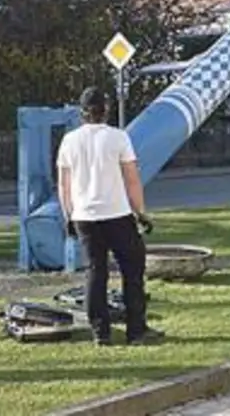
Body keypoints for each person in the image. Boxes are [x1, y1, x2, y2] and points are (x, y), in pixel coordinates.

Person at [56, 87, 160, 346]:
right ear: (107, 110)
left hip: (84, 216)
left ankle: (100, 332)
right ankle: (136, 330)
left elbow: (64, 184)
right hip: (116, 213)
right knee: (132, 269)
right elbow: (132, 179)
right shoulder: (118, 137)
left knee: (95, 271)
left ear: (81, 113)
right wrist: (141, 212)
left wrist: (68, 215)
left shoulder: (69, 141)